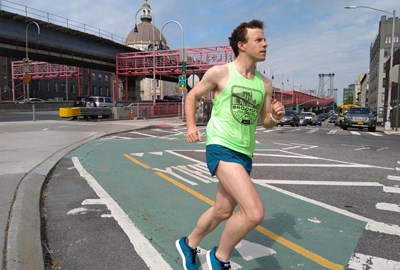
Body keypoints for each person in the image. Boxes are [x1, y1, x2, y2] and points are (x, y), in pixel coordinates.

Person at [176, 19, 285, 270]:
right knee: (254, 212)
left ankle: (188, 244)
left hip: (244, 153)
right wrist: (191, 126)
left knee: (223, 211)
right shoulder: (220, 73)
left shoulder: (265, 84)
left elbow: (264, 122)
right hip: (221, 147)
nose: (265, 44)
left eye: (265, 39)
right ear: (241, 45)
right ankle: (219, 258)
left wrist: (275, 117)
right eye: (258, 40)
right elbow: (192, 96)